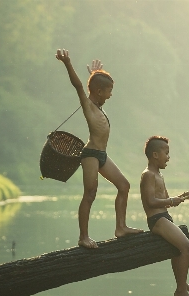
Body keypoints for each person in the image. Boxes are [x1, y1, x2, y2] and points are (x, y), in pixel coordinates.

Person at [55, 49, 141, 248]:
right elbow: (79, 86)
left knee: (124, 186)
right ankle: (83, 237)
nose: (110, 96)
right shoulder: (88, 105)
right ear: (100, 92)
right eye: (109, 92)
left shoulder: (99, 104)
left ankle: (121, 227)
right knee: (90, 194)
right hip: (91, 155)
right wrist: (68, 62)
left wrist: (95, 75)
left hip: (102, 155)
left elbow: (95, 88)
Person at [140, 135, 189, 296]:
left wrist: (185, 196)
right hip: (157, 220)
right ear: (155, 155)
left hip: (164, 217)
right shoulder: (148, 175)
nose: (168, 157)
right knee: (187, 248)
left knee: (178, 250)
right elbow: (150, 201)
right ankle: (181, 291)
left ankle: (183, 285)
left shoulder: (158, 175)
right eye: (166, 153)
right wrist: (172, 201)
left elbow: (166, 199)